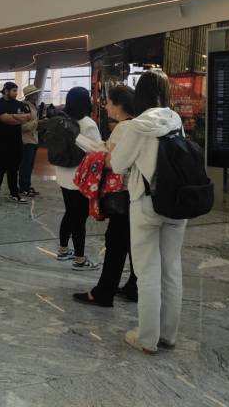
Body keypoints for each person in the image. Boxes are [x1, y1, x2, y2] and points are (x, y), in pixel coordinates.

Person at [109, 70, 188, 354]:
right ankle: (168, 334)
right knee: (172, 268)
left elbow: (117, 164)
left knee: (147, 272)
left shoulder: (138, 126)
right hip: (178, 203)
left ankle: (146, 338)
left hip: (147, 203)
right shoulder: (175, 120)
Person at [73, 85, 138, 307]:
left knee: (116, 242)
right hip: (139, 194)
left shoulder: (123, 128)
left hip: (124, 192)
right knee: (133, 242)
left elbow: (114, 161)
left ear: (119, 104)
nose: (106, 106)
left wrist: (98, 152)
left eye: (109, 102)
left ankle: (103, 292)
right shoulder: (140, 125)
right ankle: (134, 286)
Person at [55, 87, 103, 270]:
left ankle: (62, 250)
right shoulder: (87, 123)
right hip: (80, 178)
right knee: (79, 218)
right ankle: (80, 259)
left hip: (62, 174)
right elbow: (97, 150)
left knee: (69, 212)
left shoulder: (61, 120)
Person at [0, 82, 32, 204]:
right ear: (6, 91)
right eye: (14, 91)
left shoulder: (19, 104)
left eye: (16, 91)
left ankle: (14, 193)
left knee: (13, 169)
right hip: (0, 143)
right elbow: (4, 119)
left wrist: (12, 116)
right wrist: (17, 117)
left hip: (16, 142)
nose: (16, 93)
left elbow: (28, 117)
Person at [19, 85, 41, 198]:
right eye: (35, 93)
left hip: (33, 139)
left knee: (30, 165)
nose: (37, 95)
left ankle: (26, 186)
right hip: (26, 140)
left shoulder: (33, 106)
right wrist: (38, 123)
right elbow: (22, 127)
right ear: (30, 95)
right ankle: (23, 188)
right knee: (25, 165)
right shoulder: (23, 107)